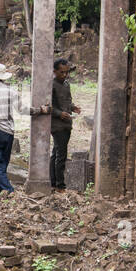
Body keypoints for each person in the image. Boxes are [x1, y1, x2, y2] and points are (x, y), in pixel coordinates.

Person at [0, 63, 47, 195]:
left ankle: (10, 191)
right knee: (3, 162)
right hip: (9, 131)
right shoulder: (11, 91)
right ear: (4, 77)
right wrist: (40, 110)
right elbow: (22, 110)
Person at [49, 57, 81, 191]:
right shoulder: (52, 85)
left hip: (67, 123)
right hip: (57, 125)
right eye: (62, 72)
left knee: (57, 153)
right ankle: (59, 185)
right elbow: (49, 106)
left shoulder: (66, 84)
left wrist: (73, 107)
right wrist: (59, 114)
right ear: (55, 71)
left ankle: (54, 183)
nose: (65, 75)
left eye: (67, 72)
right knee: (61, 155)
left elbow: (67, 101)